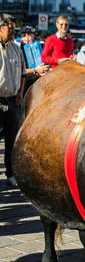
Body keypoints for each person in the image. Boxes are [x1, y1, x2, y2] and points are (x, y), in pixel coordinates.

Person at [0, 14, 28, 186]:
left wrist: (20, 92)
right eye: (9, 29)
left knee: (11, 139)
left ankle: (10, 173)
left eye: (13, 29)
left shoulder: (16, 48)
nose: (13, 32)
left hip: (12, 101)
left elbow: (23, 73)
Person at [15, 26, 49, 94]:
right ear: (27, 35)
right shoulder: (18, 46)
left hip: (34, 77)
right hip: (23, 81)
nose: (34, 37)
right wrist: (36, 70)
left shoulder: (35, 44)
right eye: (32, 34)